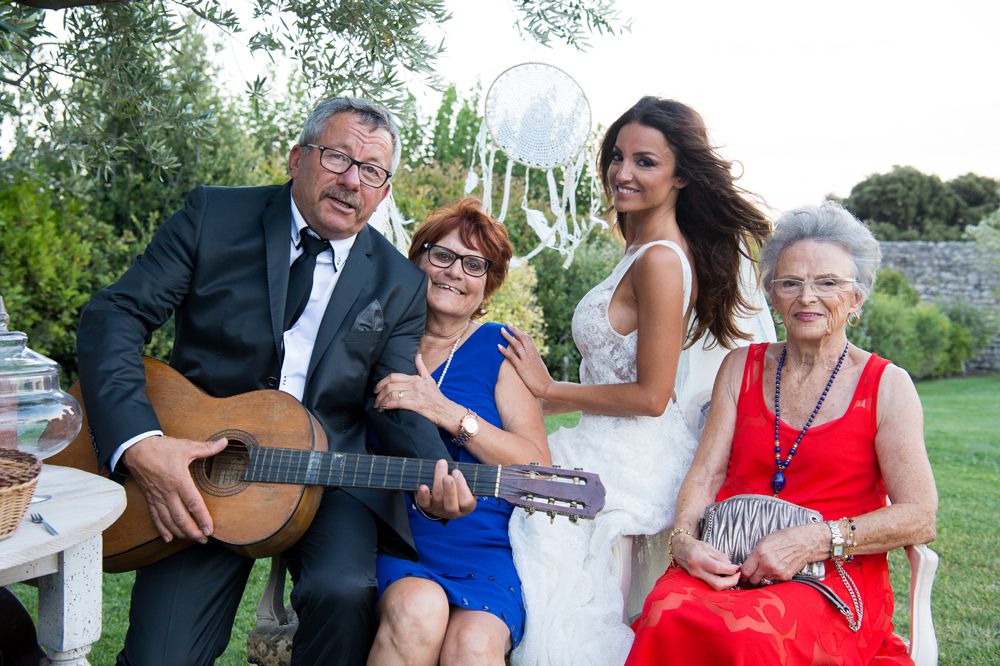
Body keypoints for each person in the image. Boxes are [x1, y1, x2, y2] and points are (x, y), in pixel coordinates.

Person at [75, 97, 476, 666]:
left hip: (327, 474)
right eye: (337, 157)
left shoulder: (399, 282)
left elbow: (396, 398)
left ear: (384, 191)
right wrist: (141, 444)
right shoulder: (213, 216)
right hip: (200, 464)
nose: (351, 181)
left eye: (371, 170)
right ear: (297, 158)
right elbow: (113, 315)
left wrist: (437, 476)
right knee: (161, 657)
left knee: (343, 593)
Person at [501, 96, 772, 665]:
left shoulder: (661, 261)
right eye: (617, 157)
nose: (622, 173)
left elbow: (652, 395)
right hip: (605, 439)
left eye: (645, 161)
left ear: (681, 176)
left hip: (633, 460)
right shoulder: (641, 249)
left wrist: (548, 390)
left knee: (560, 587)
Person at [626, 202, 938, 665]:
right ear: (773, 295)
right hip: (729, 559)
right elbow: (706, 474)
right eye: (790, 283)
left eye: (828, 283)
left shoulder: (887, 386)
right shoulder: (740, 368)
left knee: (750, 636)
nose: (807, 297)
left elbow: (920, 516)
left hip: (829, 577)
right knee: (666, 610)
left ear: (856, 298)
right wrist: (686, 541)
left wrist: (812, 541)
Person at [366, 198, 550, 665]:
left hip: (482, 546)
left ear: (489, 282)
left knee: (474, 645)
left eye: (474, 264)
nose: (454, 272)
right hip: (400, 536)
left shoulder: (499, 349)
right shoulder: (377, 340)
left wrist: (446, 412)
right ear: (418, 259)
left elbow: (539, 468)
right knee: (417, 611)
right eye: (443, 255)